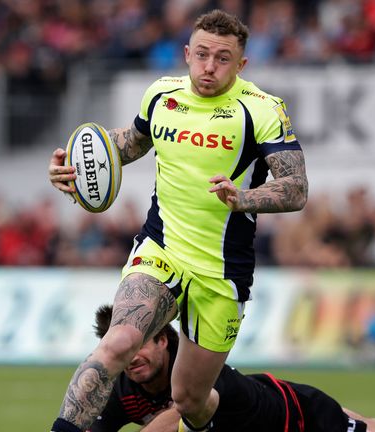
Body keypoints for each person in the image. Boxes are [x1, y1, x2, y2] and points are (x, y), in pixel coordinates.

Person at [47, 10, 309, 432]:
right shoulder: (161, 95)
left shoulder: (261, 110)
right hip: (161, 249)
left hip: (221, 272)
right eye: (202, 54)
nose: (209, 66)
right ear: (187, 53)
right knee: (117, 343)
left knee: (190, 398)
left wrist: (243, 198)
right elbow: (130, 144)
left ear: (241, 65)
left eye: (222, 59)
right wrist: (73, 163)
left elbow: (296, 187)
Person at [88, 304, 375, 432]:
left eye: (140, 346)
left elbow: (180, 412)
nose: (132, 358)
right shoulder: (123, 386)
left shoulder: (198, 370)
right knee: (372, 425)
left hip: (294, 416)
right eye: (122, 350)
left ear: (163, 339)